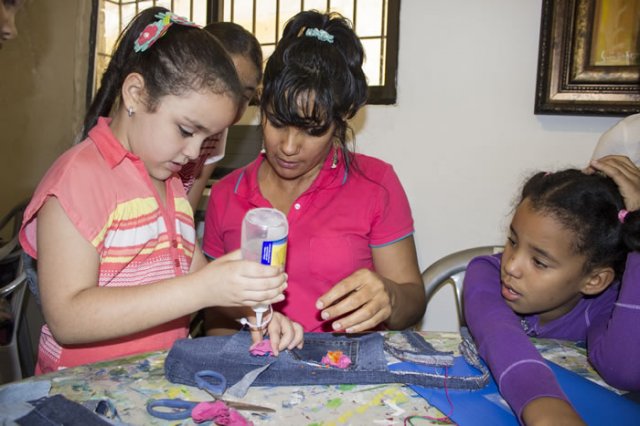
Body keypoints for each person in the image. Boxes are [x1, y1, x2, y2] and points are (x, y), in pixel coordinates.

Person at [18, 7, 302, 374]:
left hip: (151, 384)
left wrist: (254, 313)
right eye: (186, 130)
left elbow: (193, 272)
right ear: (136, 94)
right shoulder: (78, 179)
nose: (193, 153)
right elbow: (68, 318)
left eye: (208, 139)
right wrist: (203, 288)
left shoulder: (168, 185)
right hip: (82, 393)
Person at [202, 10, 426, 335]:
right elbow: (216, 322)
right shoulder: (226, 194)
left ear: (339, 122)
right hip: (258, 377)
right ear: (261, 104)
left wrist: (390, 296)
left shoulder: (377, 185)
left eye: (312, 130)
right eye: (277, 122)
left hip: (347, 378)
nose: (289, 146)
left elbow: (413, 300)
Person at [463, 163, 640, 425]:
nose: (510, 266)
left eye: (539, 262)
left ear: (594, 281)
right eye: (513, 241)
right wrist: (544, 405)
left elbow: (624, 371)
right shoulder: (484, 273)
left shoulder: (606, 307)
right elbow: (498, 334)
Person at [179, 22, 263, 211]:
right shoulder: (165, 123)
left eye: (243, 96)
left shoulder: (218, 131)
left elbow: (187, 208)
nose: (232, 106)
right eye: (223, 89)